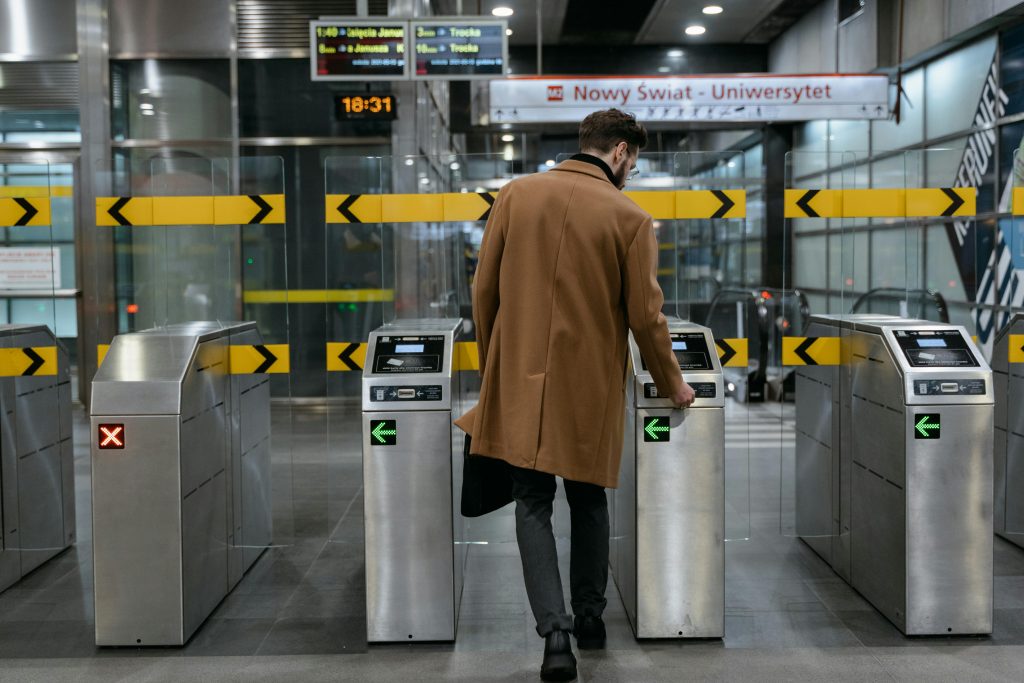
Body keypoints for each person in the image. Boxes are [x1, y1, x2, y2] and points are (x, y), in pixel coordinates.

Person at [454, 108, 695, 681]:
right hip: (588, 389)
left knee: (532, 503)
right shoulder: (630, 218)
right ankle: (590, 618)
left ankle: (555, 633)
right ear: (619, 153)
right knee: (588, 500)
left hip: (521, 386)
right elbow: (646, 317)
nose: (630, 171)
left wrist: (497, 368)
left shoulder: (514, 196)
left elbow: (482, 289)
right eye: (631, 161)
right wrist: (672, 383)